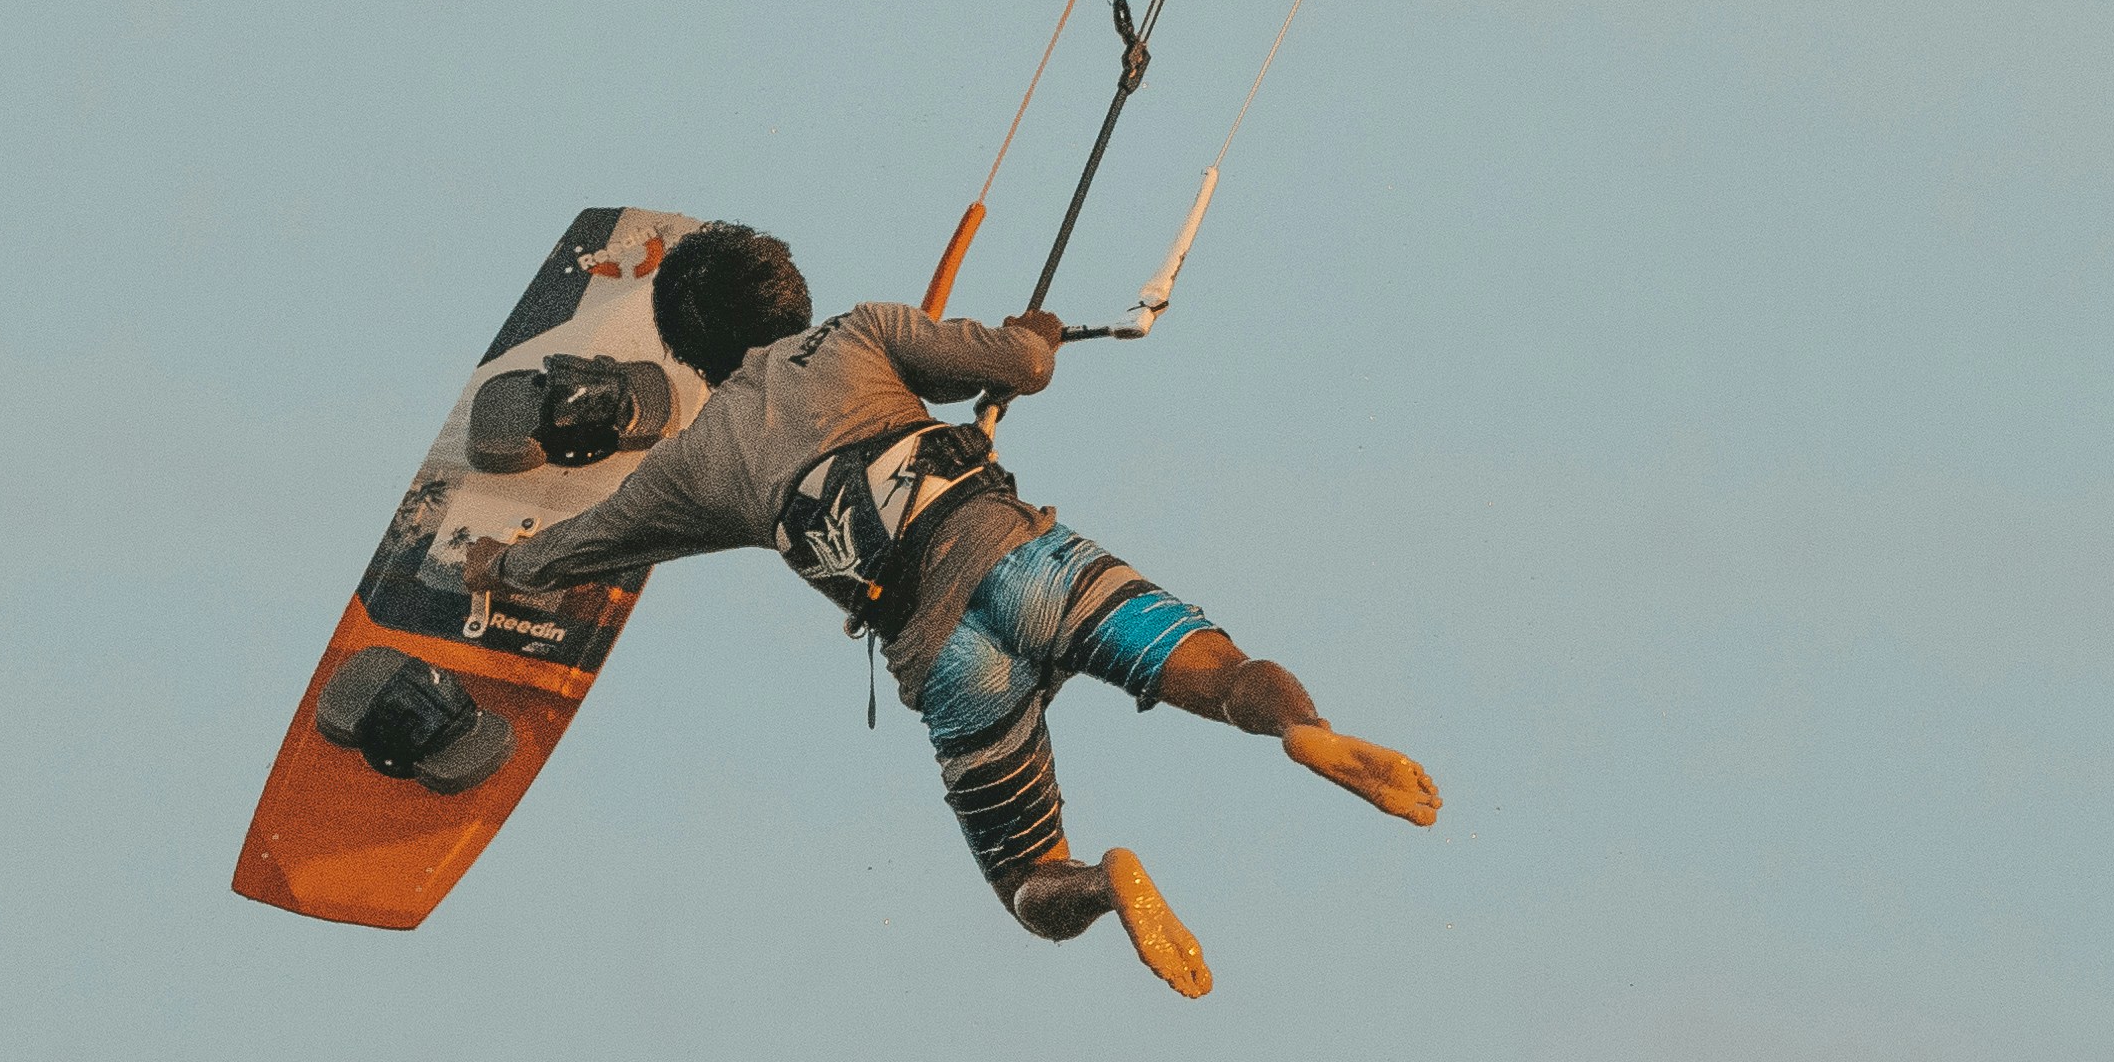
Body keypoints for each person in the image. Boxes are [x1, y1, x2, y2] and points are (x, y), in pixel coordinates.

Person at [454, 219, 1434, 993]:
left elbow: (586, 545)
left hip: (939, 649)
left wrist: (501, 564)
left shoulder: (699, 460)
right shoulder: (863, 330)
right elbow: (1026, 366)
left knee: (1028, 882)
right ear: (791, 296)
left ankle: (1105, 880)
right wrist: (1035, 336)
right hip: (1019, 559)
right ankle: (1305, 731)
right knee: (1221, 673)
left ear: (699, 357)